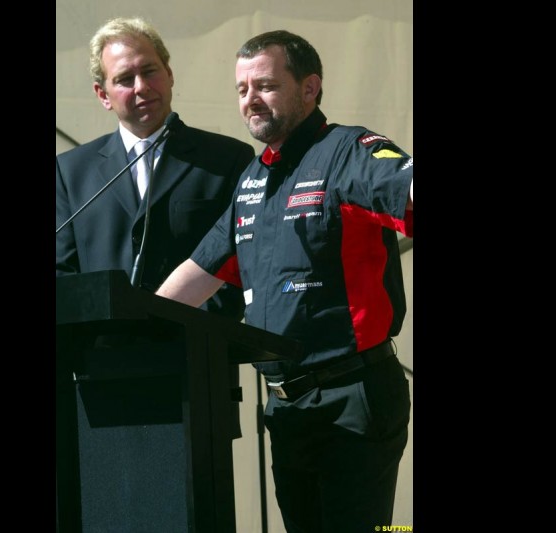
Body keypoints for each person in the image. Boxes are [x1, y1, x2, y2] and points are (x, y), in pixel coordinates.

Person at [155, 30, 413, 532]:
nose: (250, 99)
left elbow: (403, 187)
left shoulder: (347, 151)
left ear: (310, 87)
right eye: (241, 89)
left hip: (352, 398)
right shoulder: (253, 180)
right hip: (287, 408)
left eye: (266, 85)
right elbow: (195, 278)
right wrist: (128, 325)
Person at [55, 17, 255, 529]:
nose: (141, 87)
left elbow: (239, 268)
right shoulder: (71, 171)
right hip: (101, 387)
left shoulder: (227, 159)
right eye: (125, 79)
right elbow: (64, 275)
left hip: (193, 375)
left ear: (169, 74)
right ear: (103, 94)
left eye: (150, 71)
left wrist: (181, 325)